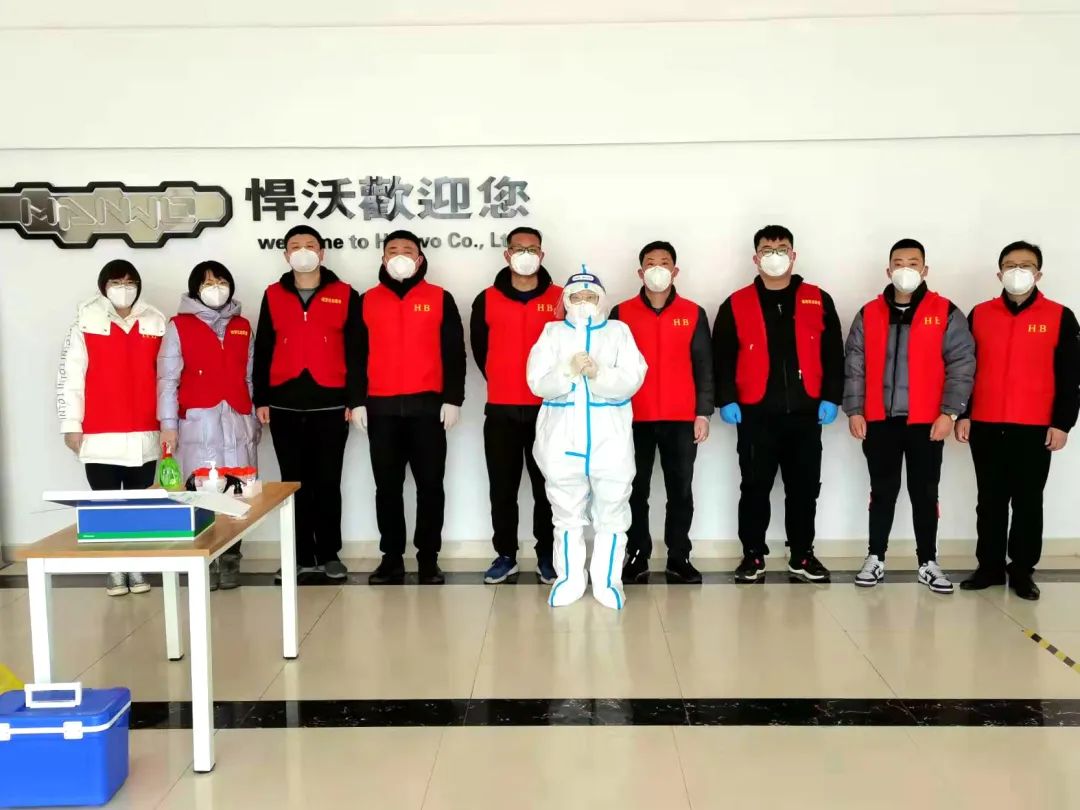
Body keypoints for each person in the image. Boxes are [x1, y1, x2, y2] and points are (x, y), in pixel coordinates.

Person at [712, 225, 844, 584]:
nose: (775, 256)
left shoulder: (818, 299)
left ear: (793, 255)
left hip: (805, 413)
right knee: (754, 488)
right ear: (756, 258)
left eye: (781, 249)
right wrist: (727, 399)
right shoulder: (736, 303)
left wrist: (832, 397)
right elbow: (722, 356)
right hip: (755, 414)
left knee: (804, 489)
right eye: (767, 250)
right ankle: (752, 555)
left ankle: (801, 554)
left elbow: (834, 354)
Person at [843, 238, 975, 593]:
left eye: (913, 263)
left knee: (925, 493)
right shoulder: (869, 313)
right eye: (899, 263)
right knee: (882, 491)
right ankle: (875, 557)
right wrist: (855, 410)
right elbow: (854, 365)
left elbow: (961, 364)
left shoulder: (945, 312)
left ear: (925, 269)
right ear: (888, 270)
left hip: (927, 423)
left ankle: (928, 562)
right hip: (879, 421)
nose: (906, 269)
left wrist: (950, 413)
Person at [956, 241, 1080, 601]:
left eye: (1026, 265)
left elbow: (1071, 376)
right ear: (999, 273)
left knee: (1028, 501)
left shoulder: (1060, 316)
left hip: (1035, 426)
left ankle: (1022, 569)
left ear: (1038, 274)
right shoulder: (980, 314)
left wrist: (1063, 423)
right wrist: (963, 413)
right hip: (986, 423)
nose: (1018, 271)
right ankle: (990, 566)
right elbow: (965, 369)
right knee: (990, 500)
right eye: (1010, 265)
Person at [527, 270, 648, 609]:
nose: (583, 303)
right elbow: (536, 382)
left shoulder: (618, 332)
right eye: (575, 297)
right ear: (565, 300)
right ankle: (569, 579)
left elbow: (633, 378)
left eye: (590, 297)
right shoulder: (552, 333)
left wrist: (600, 374)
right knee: (565, 513)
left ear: (602, 300)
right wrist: (566, 371)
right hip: (562, 439)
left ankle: (608, 582)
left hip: (610, 439)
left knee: (613, 511)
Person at [252, 224, 363, 583]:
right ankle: (298, 555)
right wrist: (261, 398)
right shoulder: (273, 295)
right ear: (286, 255)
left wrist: (355, 400)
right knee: (292, 484)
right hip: (283, 403)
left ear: (321, 253)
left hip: (331, 403)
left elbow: (357, 352)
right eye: (295, 246)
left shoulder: (345, 293)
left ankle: (329, 554)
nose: (303, 251)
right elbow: (263, 349)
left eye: (310, 245)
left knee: (328, 482)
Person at [356, 230, 466, 585]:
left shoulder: (439, 298)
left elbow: (455, 353)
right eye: (393, 250)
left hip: (428, 409)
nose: (400, 256)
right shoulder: (367, 300)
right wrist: (356, 401)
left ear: (419, 259)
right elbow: (355, 355)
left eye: (407, 250)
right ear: (383, 258)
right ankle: (391, 558)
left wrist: (453, 398)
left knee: (430, 486)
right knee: (387, 488)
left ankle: (428, 559)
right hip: (381, 409)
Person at [57, 259, 165, 596]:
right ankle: (115, 568)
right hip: (100, 430)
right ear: (103, 286)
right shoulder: (85, 322)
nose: (123, 288)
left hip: (145, 428)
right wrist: (71, 424)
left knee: (139, 501)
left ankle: (136, 565)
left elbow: (167, 377)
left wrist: (170, 423)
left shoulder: (155, 321)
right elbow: (71, 377)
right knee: (105, 502)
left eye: (130, 282)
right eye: (116, 282)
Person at [610, 240, 714, 584]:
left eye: (664, 262)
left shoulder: (693, 312)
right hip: (632, 418)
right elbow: (610, 365)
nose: (658, 268)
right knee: (634, 490)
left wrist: (703, 413)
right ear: (640, 272)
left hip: (681, 418)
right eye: (651, 263)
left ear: (675, 270)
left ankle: (679, 556)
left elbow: (704, 366)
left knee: (680, 491)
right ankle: (637, 555)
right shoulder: (621, 313)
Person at [158, 260, 259, 591]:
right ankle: (204, 559)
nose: (216, 288)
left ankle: (231, 558)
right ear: (195, 290)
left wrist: (253, 415)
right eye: (207, 283)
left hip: (237, 418)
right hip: (198, 421)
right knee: (200, 490)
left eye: (221, 282)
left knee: (238, 491)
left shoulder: (243, 325)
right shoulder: (179, 326)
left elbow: (249, 376)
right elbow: (167, 380)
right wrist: (168, 424)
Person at [470, 226, 561, 585]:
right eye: (518, 248)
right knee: (502, 489)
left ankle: (547, 555)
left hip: (549, 410)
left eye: (532, 248)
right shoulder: (487, 299)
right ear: (507, 254)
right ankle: (505, 554)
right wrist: (503, 377)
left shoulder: (560, 298)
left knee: (547, 488)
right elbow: (481, 350)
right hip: (501, 410)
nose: (525, 254)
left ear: (542, 254)